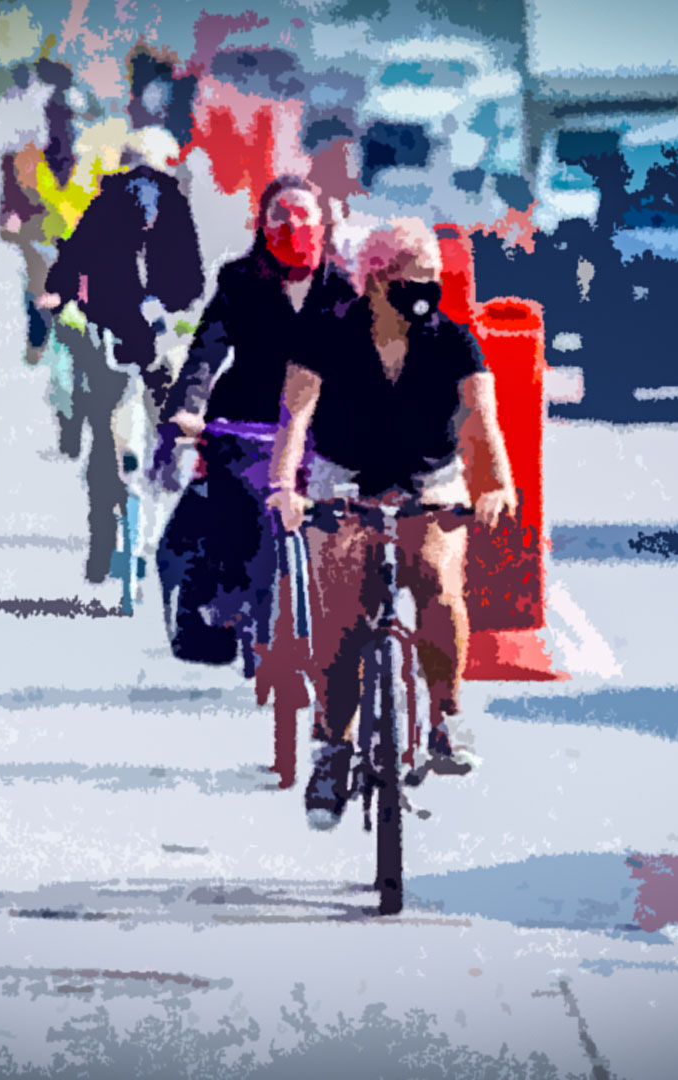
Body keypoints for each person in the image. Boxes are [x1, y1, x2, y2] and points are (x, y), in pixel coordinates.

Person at [266, 218, 518, 830]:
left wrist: (498, 486)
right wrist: (284, 489)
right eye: (415, 277)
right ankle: (333, 745)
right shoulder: (327, 331)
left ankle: (445, 718)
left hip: (429, 478)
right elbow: (295, 419)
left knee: (436, 578)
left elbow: (482, 418)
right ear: (376, 280)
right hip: (345, 476)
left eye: (435, 276)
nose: (428, 287)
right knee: (342, 610)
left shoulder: (452, 338)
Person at [159, 175, 354, 640]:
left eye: (303, 215)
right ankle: (228, 600)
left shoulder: (345, 289)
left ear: (323, 223)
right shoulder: (239, 280)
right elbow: (205, 352)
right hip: (245, 422)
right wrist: (189, 407)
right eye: (280, 216)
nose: (292, 225)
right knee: (226, 505)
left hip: (319, 426)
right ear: (261, 225)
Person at [42, 128, 206, 583]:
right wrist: (58, 291)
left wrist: (162, 309)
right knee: (109, 435)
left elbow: (191, 281)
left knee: (165, 422)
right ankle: (105, 536)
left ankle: (161, 477)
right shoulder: (114, 204)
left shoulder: (164, 209)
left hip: (150, 337)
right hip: (115, 337)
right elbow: (76, 254)